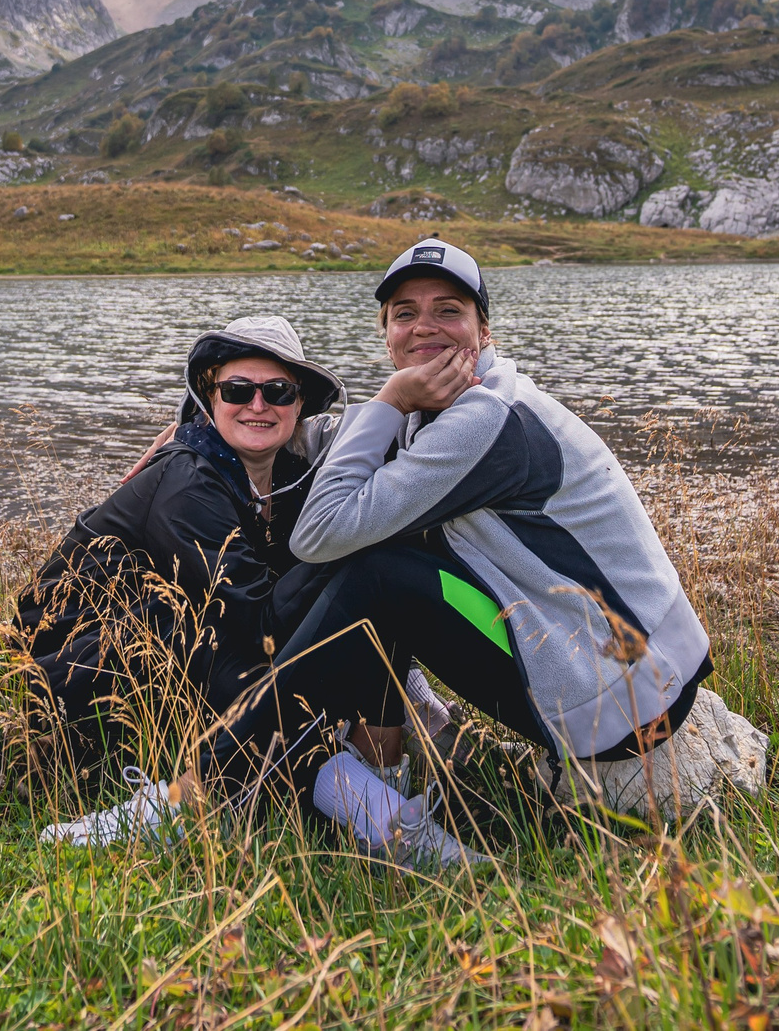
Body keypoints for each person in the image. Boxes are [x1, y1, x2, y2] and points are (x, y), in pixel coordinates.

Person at [257, 236, 715, 862]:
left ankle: (205, 784)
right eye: (405, 313)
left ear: (483, 330)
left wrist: (389, 399)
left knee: (375, 574)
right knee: (370, 567)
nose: (426, 327)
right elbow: (333, 444)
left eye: (449, 310)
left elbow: (318, 532)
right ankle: (382, 799)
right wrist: (207, 423)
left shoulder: (485, 419)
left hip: (626, 699)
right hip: (624, 669)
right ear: (387, 333)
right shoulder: (461, 404)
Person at [22, 316, 343, 843]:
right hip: (71, 675)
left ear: (299, 403)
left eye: (277, 391)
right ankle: (167, 808)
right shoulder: (188, 481)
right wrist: (347, 557)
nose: (257, 405)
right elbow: (259, 622)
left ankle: (357, 792)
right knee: (254, 650)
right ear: (210, 396)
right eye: (238, 389)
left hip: (168, 668)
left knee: (285, 654)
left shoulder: (286, 482)